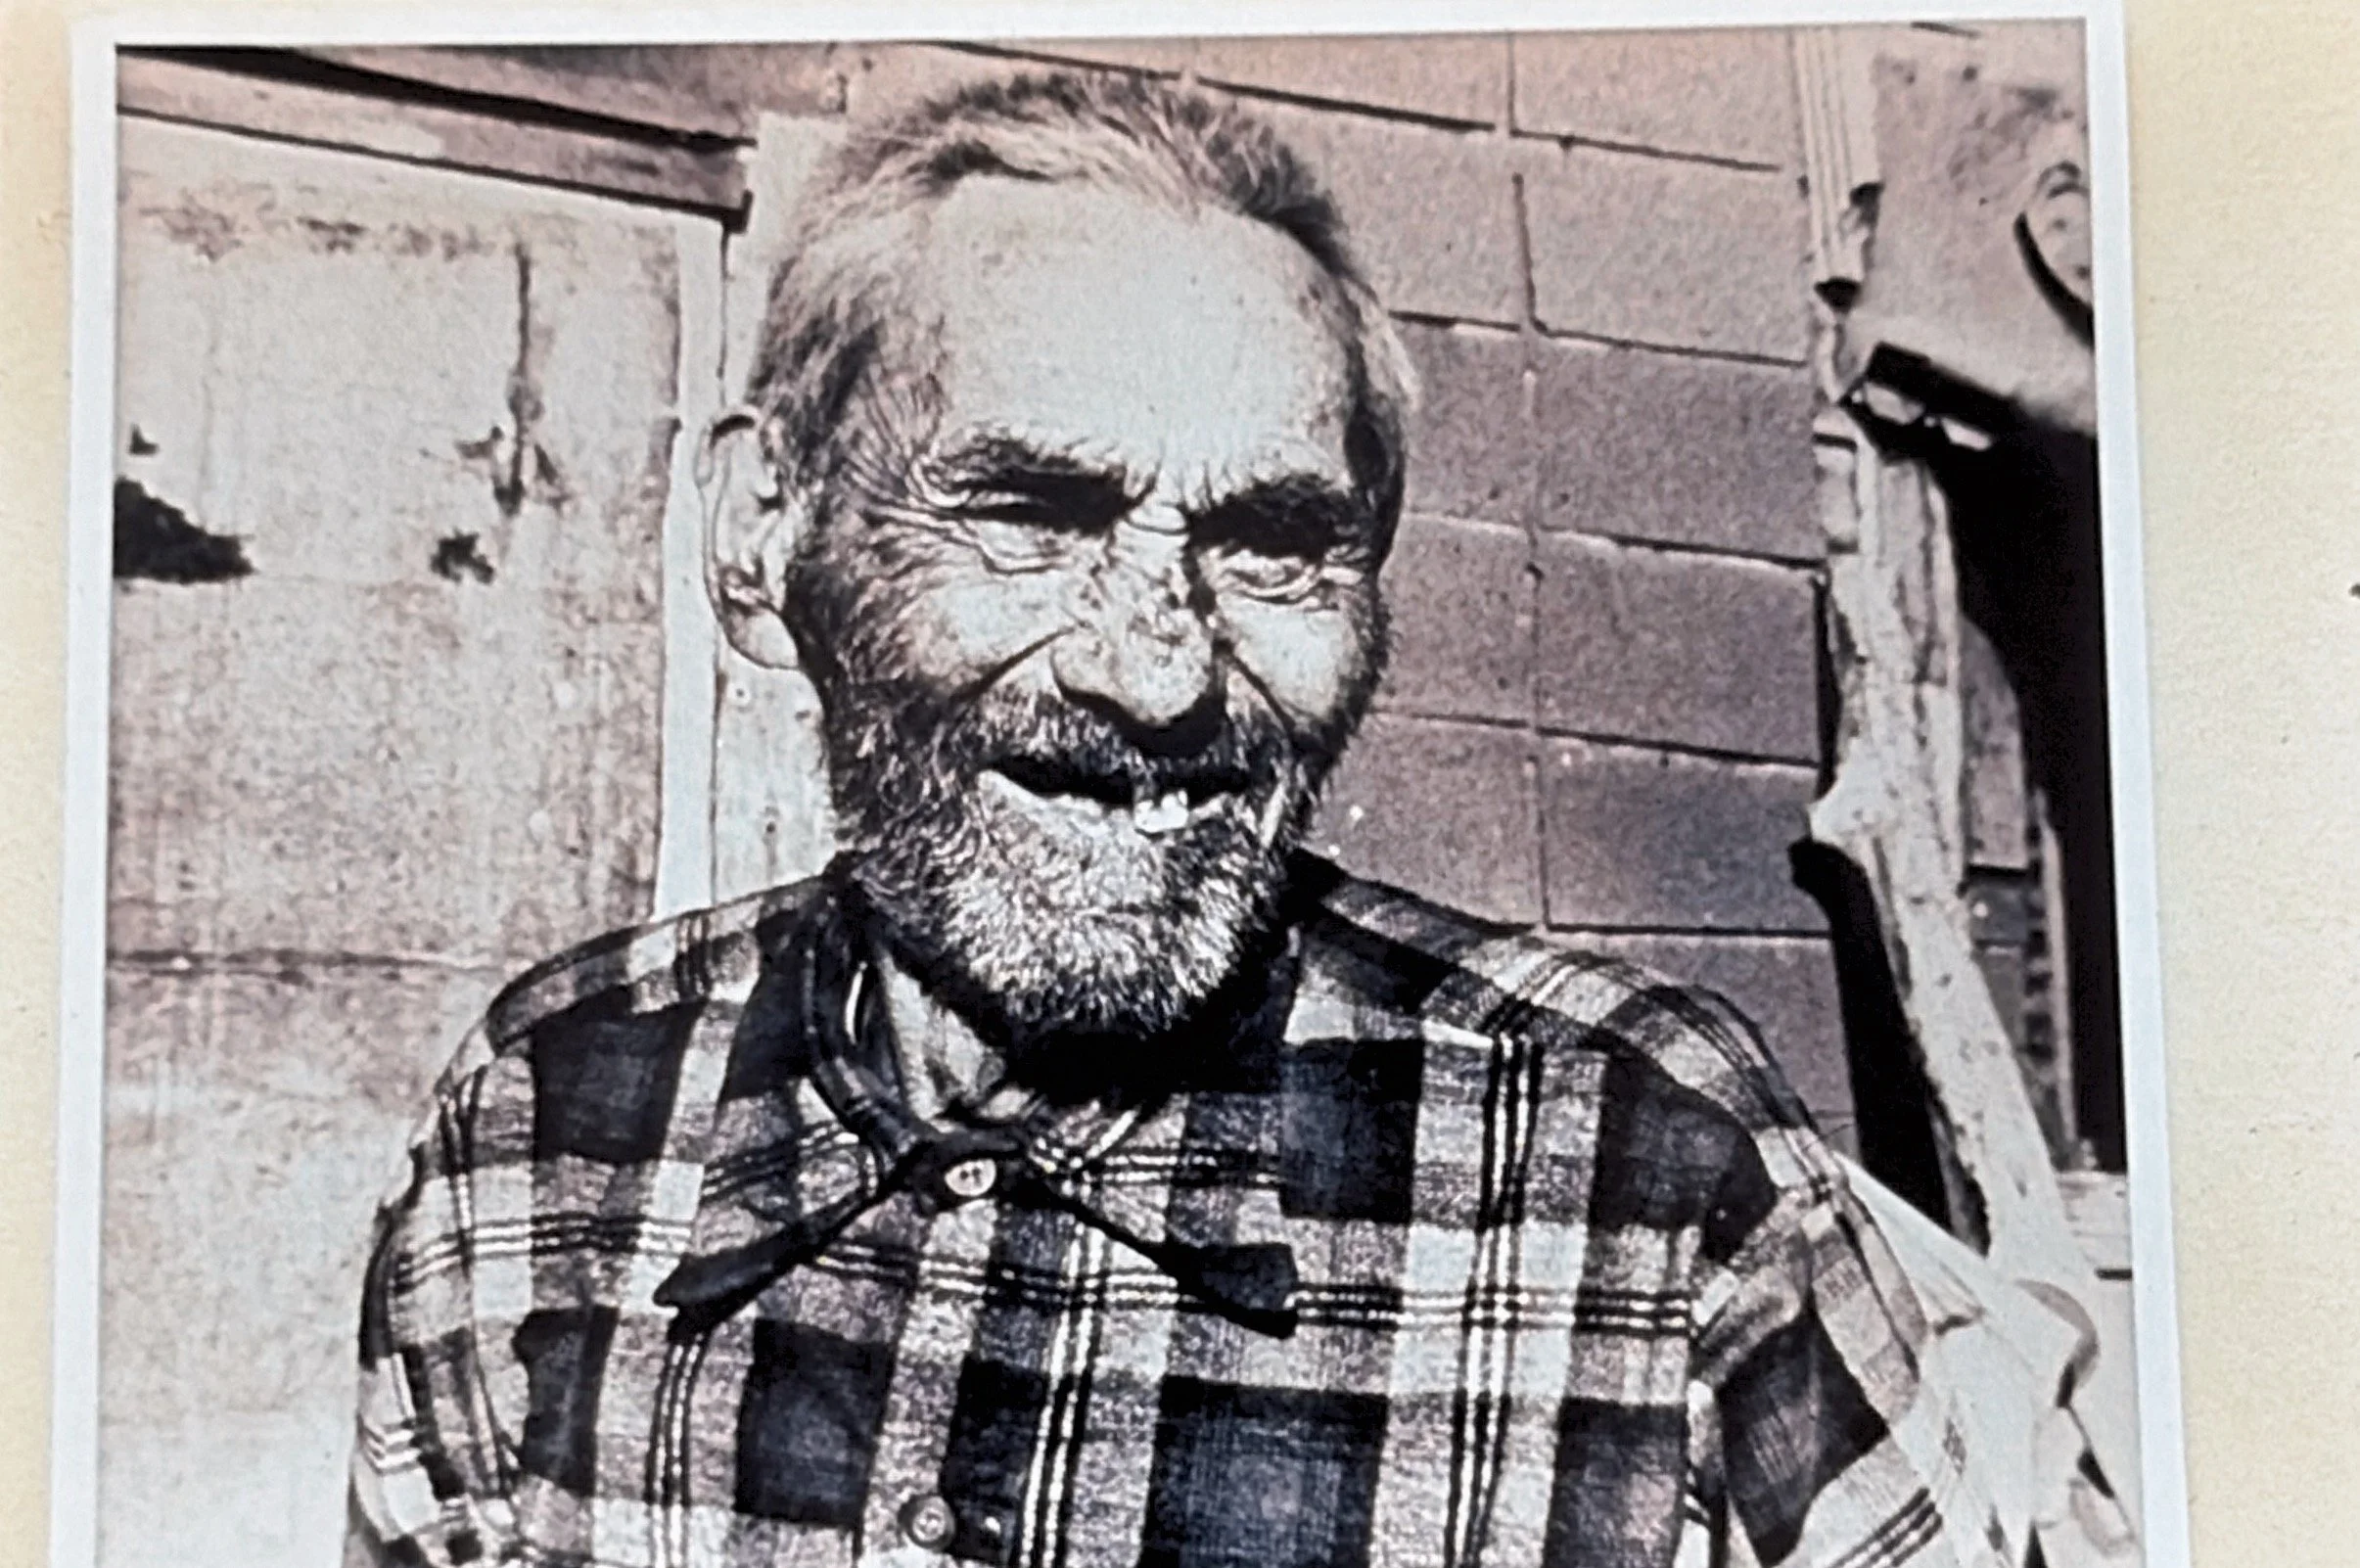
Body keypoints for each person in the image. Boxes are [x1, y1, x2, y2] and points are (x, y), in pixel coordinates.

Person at [347, 72, 1996, 1568]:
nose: (1154, 674)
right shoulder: (547, 1119)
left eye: (1274, 545)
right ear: (764, 534)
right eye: (1031, 515)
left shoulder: (1649, 1167)